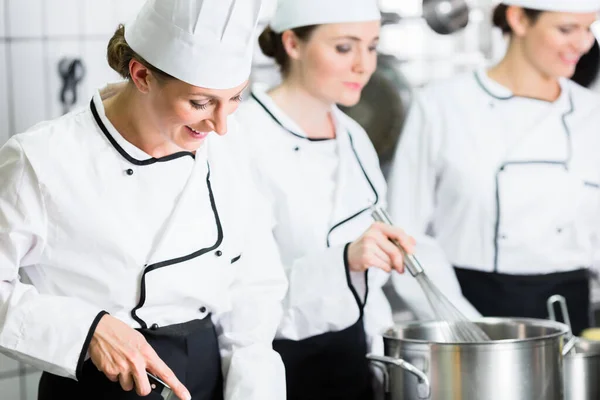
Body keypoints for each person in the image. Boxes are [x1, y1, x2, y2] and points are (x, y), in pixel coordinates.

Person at [0, 1, 288, 399]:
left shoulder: (233, 147)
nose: (221, 125)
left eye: (235, 98)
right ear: (141, 75)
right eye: (200, 103)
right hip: (99, 385)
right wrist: (88, 328)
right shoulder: (43, 159)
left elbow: (253, 287)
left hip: (208, 375)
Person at [235, 0, 477, 398]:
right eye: (344, 48)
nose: (364, 65)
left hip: (352, 361)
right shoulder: (242, 137)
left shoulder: (352, 136)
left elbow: (370, 289)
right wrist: (345, 261)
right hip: (277, 369)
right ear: (293, 43)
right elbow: (239, 293)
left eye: (372, 46)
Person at [388, 0, 600, 335]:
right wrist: (463, 327)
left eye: (588, 28)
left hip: (567, 317)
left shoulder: (592, 115)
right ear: (518, 18)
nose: (583, 43)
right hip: (465, 309)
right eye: (566, 29)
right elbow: (404, 233)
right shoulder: (444, 106)